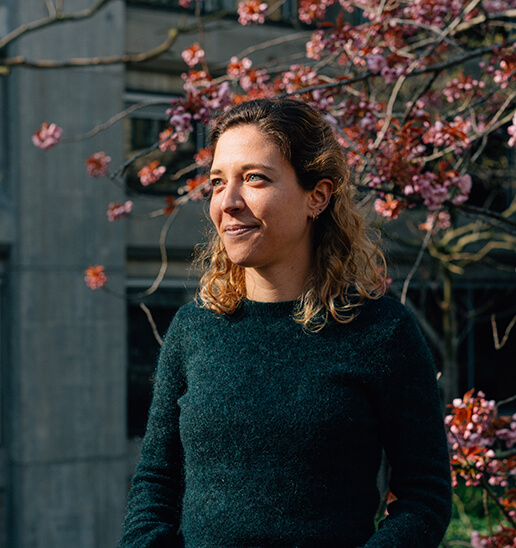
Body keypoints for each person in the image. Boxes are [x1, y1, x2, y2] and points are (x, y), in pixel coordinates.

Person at [119, 98, 452, 547]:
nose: (229, 201)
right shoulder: (193, 330)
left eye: (254, 178)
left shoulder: (382, 333)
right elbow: (154, 484)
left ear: (317, 196)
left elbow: (424, 497)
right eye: (218, 182)